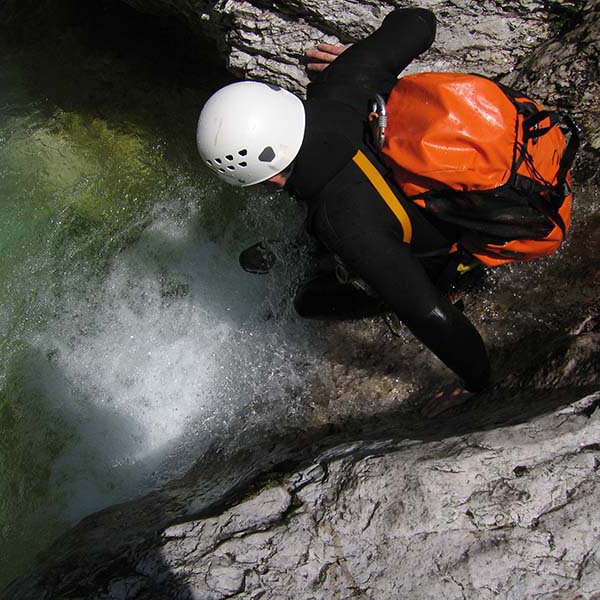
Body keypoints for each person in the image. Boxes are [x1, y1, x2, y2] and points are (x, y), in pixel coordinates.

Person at [196, 8, 492, 399]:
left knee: (307, 300)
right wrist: (360, 56)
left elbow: (429, 314)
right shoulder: (343, 81)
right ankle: (301, 251)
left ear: (261, 176)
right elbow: (420, 21)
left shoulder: (343, 223)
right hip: (472, 181)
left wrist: (479, 385)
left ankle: (421, 281)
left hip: (459, 249)